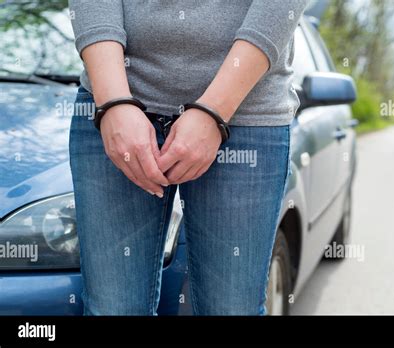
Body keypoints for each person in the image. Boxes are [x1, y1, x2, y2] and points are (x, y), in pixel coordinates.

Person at [68, 0, 308, 315]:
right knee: (112, 310)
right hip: (115, 106)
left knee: (231, 309)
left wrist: (214, 112)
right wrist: (113, 102)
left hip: (245, 112)